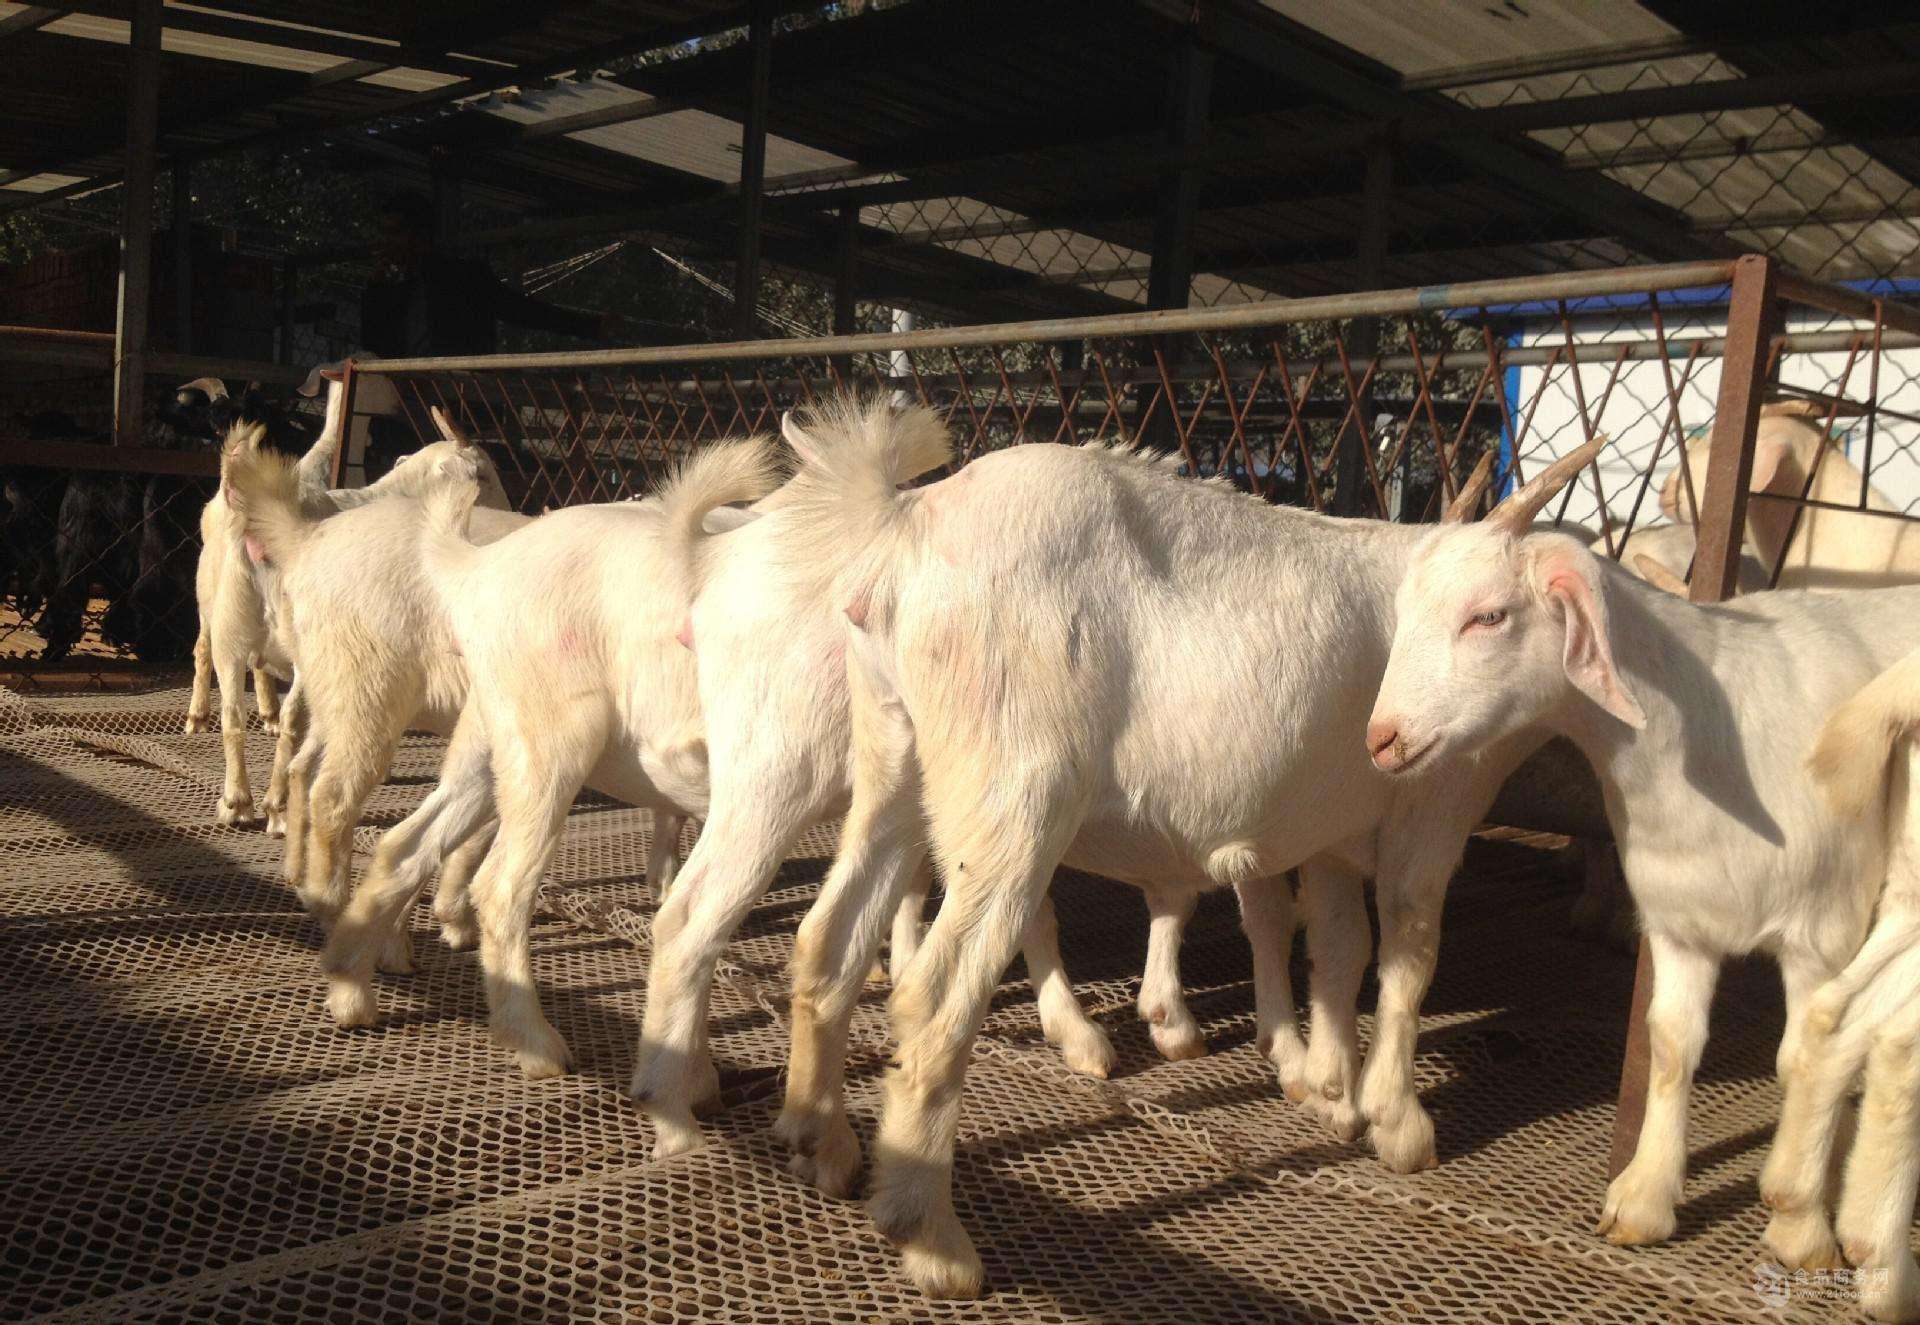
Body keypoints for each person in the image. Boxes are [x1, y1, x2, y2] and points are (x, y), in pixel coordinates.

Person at [360, 194, 620, 360]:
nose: (385, 242)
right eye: (383, 233)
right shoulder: (393, 288)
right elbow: (372, 346)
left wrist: (589, 326)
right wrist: (376, 289)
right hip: (406, 400)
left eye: (394, 233)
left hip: (456, 396)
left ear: (420, 236)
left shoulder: (461, 277)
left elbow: (521, 310)